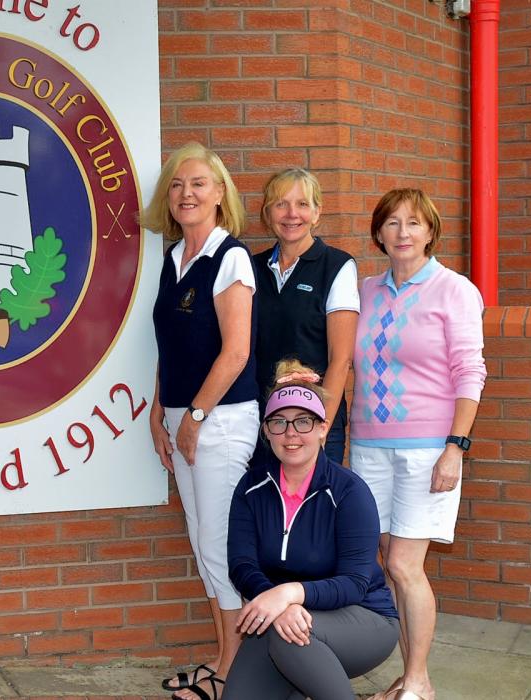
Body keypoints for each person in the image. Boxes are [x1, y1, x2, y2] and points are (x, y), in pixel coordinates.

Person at [350, 189, 486, 700]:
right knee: (387, 563)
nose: (402, 232)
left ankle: (419, 681)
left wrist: (456, 445)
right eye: (391, 223)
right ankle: (406, 676)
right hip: (368, 448)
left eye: (413, 223)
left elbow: (470, 371)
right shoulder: (365, 291)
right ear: (378, 233)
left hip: (429, 449)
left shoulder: (454, 290)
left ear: (431, 232)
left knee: (406, 565)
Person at [141, 142, 260, 700]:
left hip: (221, 419)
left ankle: (234, 675)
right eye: (178, 185)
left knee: (218, 544)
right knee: (200, 541)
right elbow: (171, 346)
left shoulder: (230, 257)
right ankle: (223, 658)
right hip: (183, 416)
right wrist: (158, 410)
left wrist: (193, 416)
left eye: (198, 184)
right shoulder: (172, 259)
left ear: (220, 195)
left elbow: (235, 352)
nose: (186, 194)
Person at [225, 360, 399, 699]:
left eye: (303, 421)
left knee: (290, 639)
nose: (291, 434)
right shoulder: (251, 488)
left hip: (364, 618)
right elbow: (242, 565)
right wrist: (279, 603)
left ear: (322, 428)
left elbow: (354, 583)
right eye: (279, 422)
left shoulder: (349, 492)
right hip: (283, 619)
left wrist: (289, 594)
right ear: (267, 431)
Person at [252, 169, 358, 464]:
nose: (291, 214)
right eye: (281, 204)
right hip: (265, 424)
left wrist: (320, 429)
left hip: (313, 424)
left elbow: (341, 360)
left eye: (302, 204)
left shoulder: (337, 266)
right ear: (267, 212)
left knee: (314, 510)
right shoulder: (251, 267)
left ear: (316, 212)